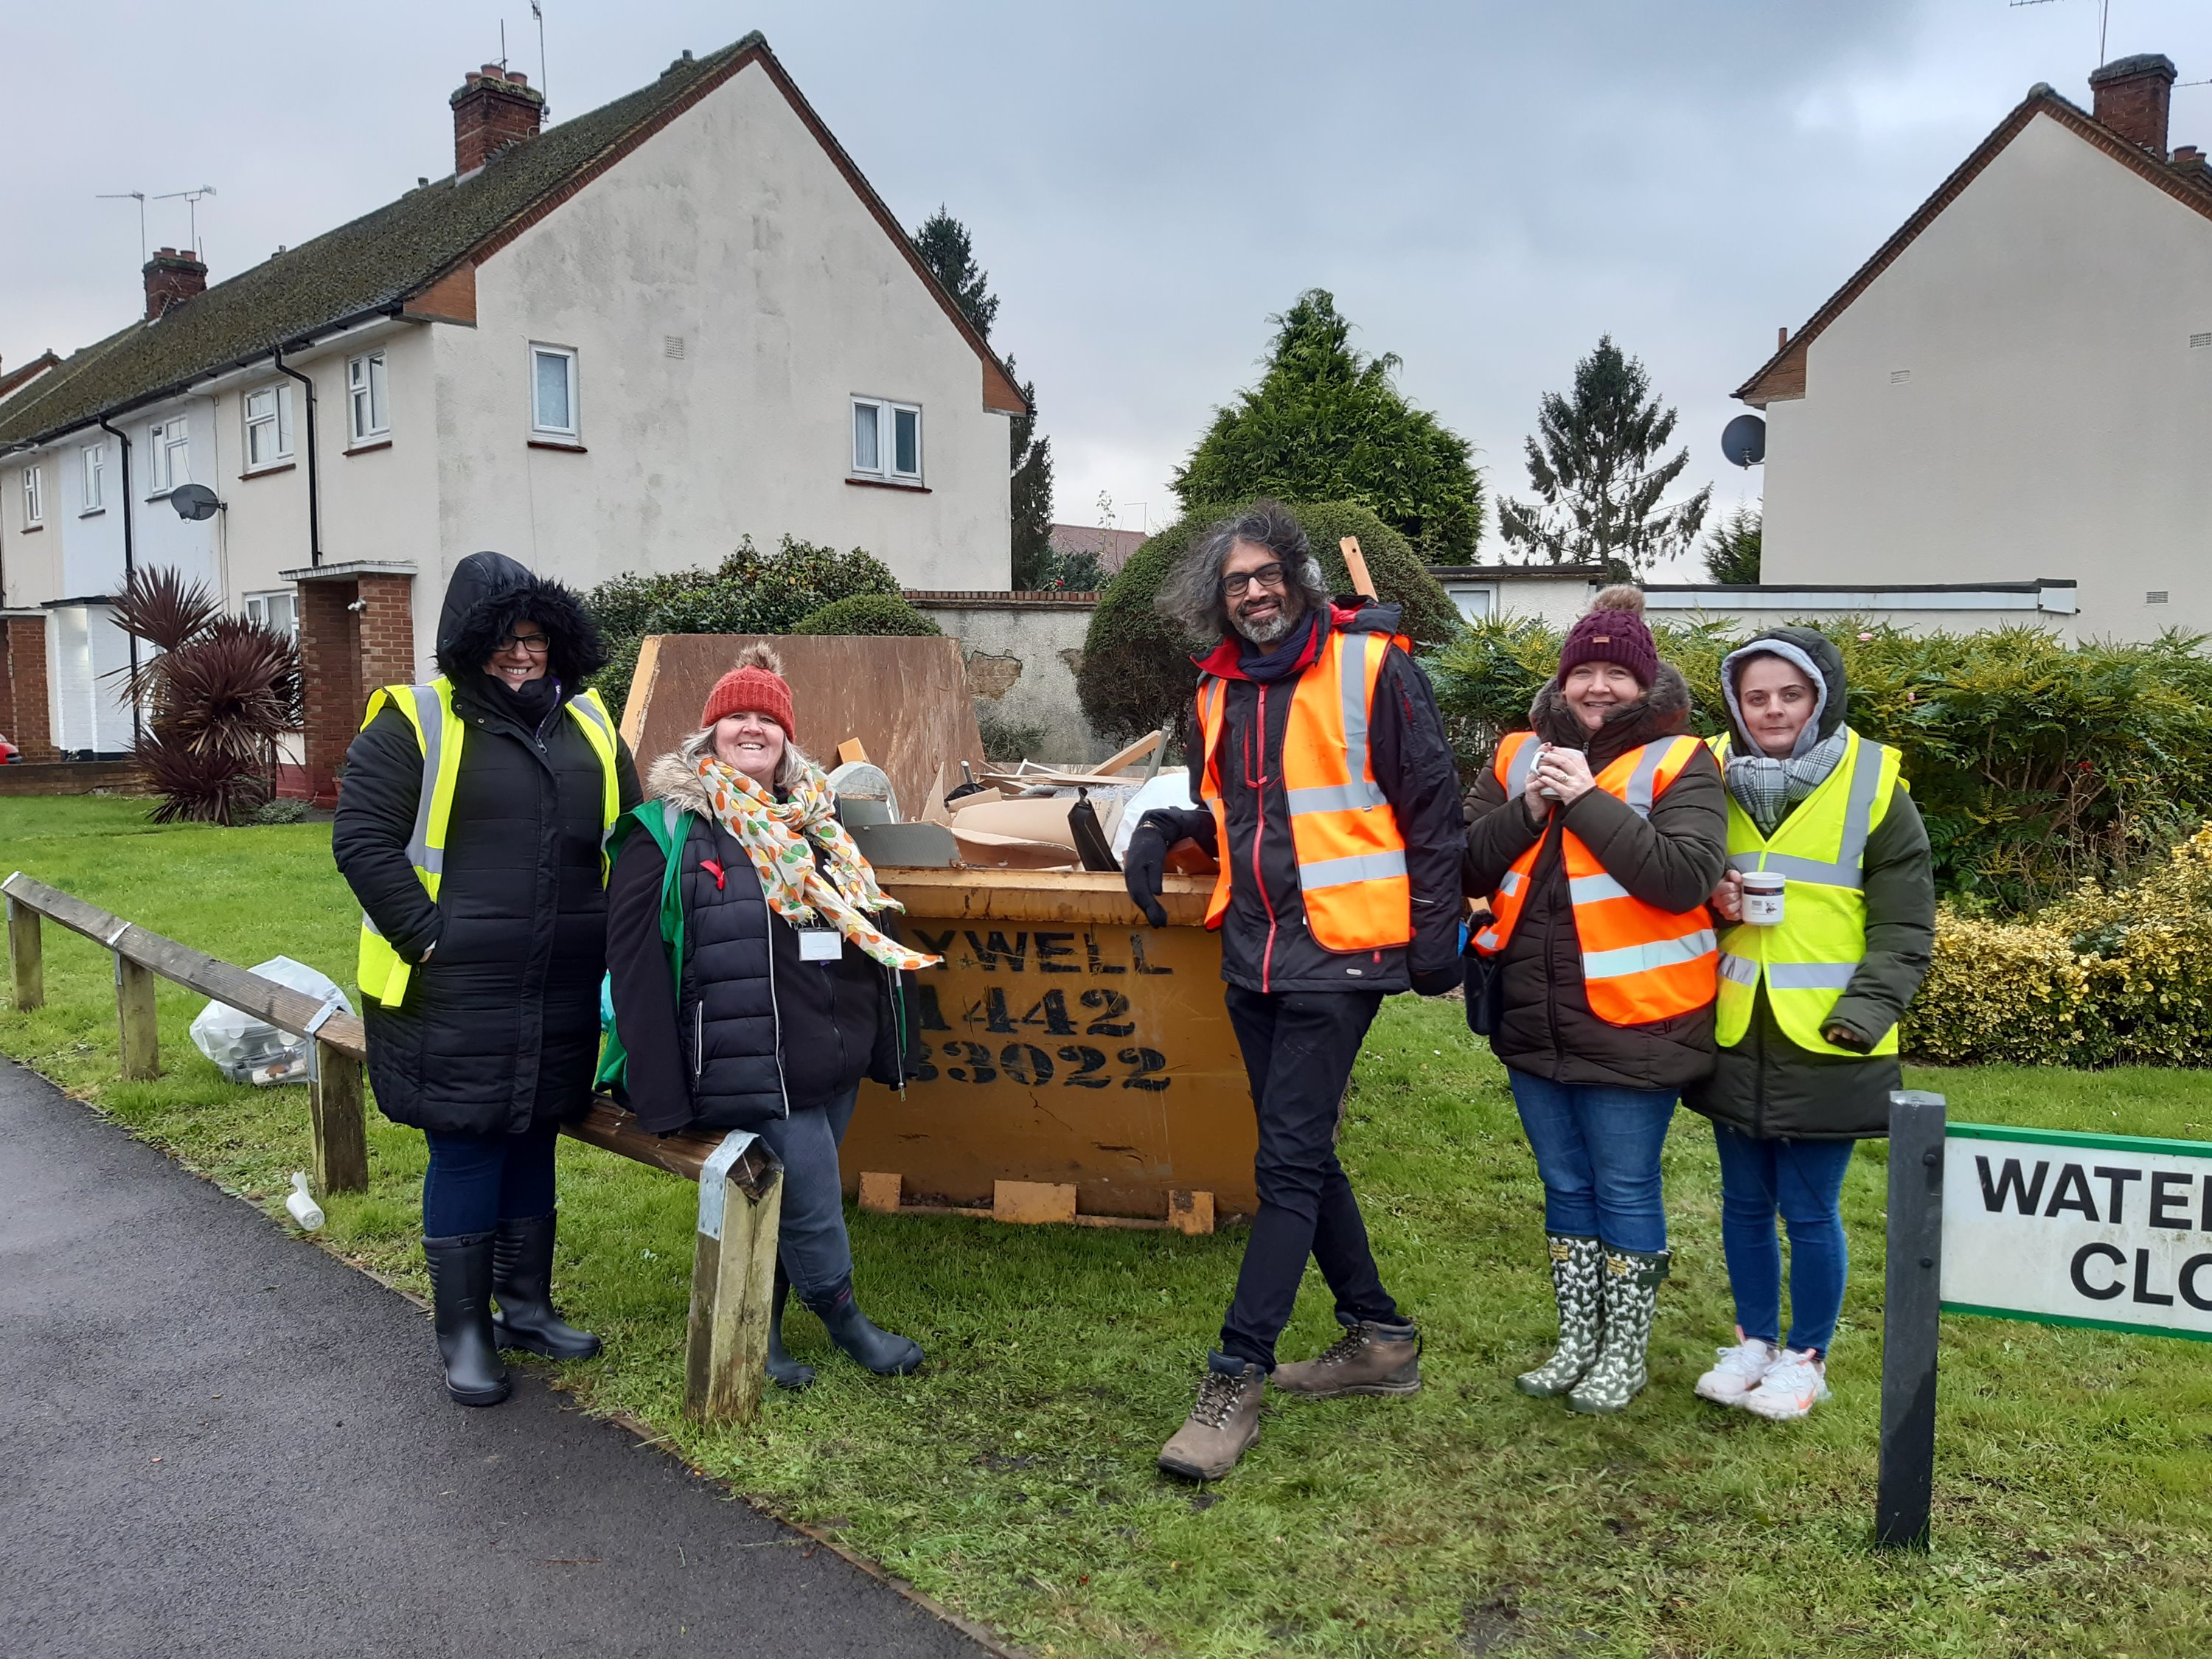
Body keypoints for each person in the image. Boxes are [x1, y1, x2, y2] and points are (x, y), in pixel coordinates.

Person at [1122, 501, 1465, 1482]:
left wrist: (1435, 936)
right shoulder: (1218, 689)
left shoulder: (1371, 666)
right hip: (1254, 954)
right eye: (1236, 582)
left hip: (1343, 951)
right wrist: (1171, 831)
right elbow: (1239, 814)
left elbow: (1432, 802)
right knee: (1303, 1153)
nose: (1255, 591)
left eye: (1269, 574)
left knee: (1284, 1165)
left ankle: (1235, 1374)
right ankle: (1380, 1335)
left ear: (1301, 578)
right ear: (1216, 599)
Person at [333, 552, 639, 1407]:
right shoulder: (414, 721)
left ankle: (528, 1307)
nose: (522, 654)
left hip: (561, 984)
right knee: (467, 1145)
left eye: (536, 638)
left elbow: (627, 843)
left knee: (536, 1134)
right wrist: (430, 940)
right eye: (505, 639)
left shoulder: (588, 723)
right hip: (449, 989)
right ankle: (465, 1331)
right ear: (469, 642)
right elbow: (362, 841)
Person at [603, 643, 933, 1387]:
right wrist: (657, 1088)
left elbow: (864, 929)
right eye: (736, 717)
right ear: (709, 733)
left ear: (787, 736)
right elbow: (635, 965)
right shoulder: (669, 831)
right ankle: (848, 1322)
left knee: (781, 1203)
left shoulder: (818, 825)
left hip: (829, 1050)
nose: (751, 728)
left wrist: (884, 1038)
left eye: (766, 718)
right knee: (812, 1198)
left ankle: (764, 1332)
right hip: (742, 1058)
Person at [1461, 586, 1727, 1413]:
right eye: (1586, 672)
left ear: (1645, 685)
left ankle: (1625, 1353)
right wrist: (1532, 805)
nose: (1599, 688)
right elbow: (1462, 864)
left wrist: (1586, 798)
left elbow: (1682, 878)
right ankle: (1578, 1339)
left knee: (1624, 1187)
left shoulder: (1684, 762)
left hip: (1637, 1019)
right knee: (1564, 1185)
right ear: (1564, 681)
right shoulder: (1516, 756)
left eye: (1618, 673)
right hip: (1531, 1014)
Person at [1683, 630, 1933, 1420]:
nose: (1773, 710)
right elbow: (1673, 880)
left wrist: (1864, 1014)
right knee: (1744, 1205)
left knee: (1811, 1210)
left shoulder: (1873, 782)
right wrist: (1708, 902)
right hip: (1732, 1028)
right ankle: (1755, 1340)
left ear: (1819, 697)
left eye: (1790, 695)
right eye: (1756, 696)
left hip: (1832, 1036)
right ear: (1735, 703)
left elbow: (1905, 924)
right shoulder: (1706, 773)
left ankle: (1806, 1357)